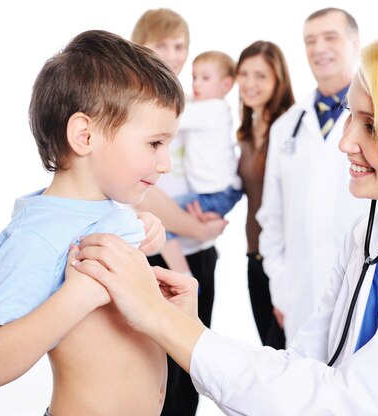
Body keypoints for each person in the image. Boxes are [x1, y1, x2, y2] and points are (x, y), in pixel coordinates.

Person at [73, 24, 378, 415]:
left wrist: (158, 319)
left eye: (372, 125)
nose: (345, 142)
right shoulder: (370, 234)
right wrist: (185, 326)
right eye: (352, 117)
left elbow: (340, 404)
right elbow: (301, 376)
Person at [0, 29, 184, 416]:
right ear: (84, 135)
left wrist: (146, 231)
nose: (166, 164)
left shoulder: (116, 214)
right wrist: (80, 294)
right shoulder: (38, 238)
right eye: (154, 144)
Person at [256, 7, 369, 344]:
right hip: (300, 296)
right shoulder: (286, 126)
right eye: (310, 41)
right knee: (304, 387)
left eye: (330, 38)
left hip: (363, 285)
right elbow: (272, 218)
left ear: (355, 43)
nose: (319, 48)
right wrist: (281, 288)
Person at [130, 8, 223, 416]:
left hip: (196, 252)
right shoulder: (130, 102)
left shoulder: (187, 102)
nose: (172, 54)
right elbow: (141, 189)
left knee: (192, 360)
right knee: (156, 363)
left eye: (180, 45)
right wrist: (194, 228)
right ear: (138, 44)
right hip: (154, 249)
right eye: (161, 44)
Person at [234, 40, 294, 348]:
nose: (249, 83)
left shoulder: (289, 131)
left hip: (283, 262)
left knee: (285, 353)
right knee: (269, 355)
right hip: (253, 256)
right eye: (243, 74)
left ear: (277, 80)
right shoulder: (246, 132)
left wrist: (283, 285)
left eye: (260, 75)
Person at [161, 50, 243, 270]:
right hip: (219, 191)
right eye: (194, 77)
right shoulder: (207, 107)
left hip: (215, 193)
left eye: (205, 78)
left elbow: (172, 119)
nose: (197, 83)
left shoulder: (212, 109)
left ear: (226, 85)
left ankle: (184, 276)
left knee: (162, 222)